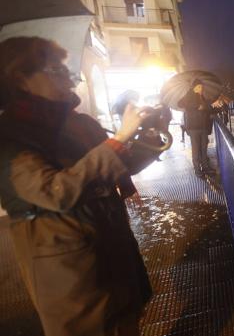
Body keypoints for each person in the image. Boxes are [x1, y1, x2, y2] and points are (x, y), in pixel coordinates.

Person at [0, 37, 152, 336]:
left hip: (112, 246)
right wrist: (118, 139)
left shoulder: (77, 122)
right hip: (68, 265)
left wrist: (151, 137)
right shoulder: (9, 137)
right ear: (21, 79)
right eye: (56, 70)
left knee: (127, 320)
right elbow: (54, 190)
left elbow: (119, 164)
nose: (69, 78)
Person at [179, 82, 215, 177]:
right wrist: (196, 106)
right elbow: (180, 103)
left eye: (202, 87)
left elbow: (207, 109)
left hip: (203, 126)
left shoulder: (202, 97)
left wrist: (213, 107)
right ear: (194, 88)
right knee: (195, 149)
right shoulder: (188, 96)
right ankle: (198, 170)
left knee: (203, 149)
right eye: (199, 87)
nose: (201, 88)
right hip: (194, 127)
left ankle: (206, 167)